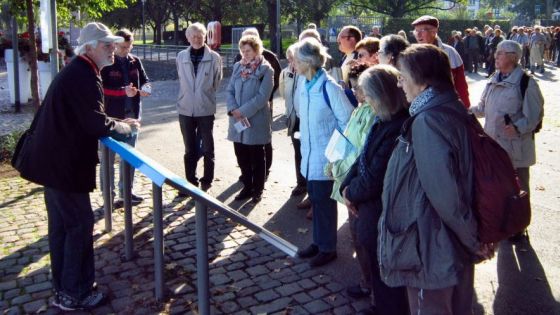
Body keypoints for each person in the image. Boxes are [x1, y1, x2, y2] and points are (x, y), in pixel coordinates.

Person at [17, 22, 137, 311]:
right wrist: (124, 126)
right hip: (64, 167)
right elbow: (95, 122)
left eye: (113, 44)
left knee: (62, 229)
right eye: (106, 45)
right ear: (90, 48)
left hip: (53, 165)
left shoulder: (78, 70)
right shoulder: (83, 74)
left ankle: (64, 290)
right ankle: (76, 293)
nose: (113, 49)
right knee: (78, 227)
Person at [379, 44, 493, 314]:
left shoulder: (429, 119)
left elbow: (446, 195)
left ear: (424, 79)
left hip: (431, 245)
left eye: (402, 75)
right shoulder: (448, 107)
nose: (399, 82)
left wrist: (473, 240)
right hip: (445, 242)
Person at [340, 65, 410, 315]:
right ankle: (380, 306)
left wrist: (350, 193)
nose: (365, 99)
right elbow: (363, 159)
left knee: (388, 275)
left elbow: (375, 178)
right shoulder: (383, 120)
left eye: (368, 94)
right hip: (371, 212)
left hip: (382, 213)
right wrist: (346, 186)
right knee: (379, 271)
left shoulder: (398, 126)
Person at [470, 40, 544, 241]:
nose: (495, 56)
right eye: (496, 52)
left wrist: (518, 127)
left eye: (500, 53)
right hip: (494, 145)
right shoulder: (494, 78)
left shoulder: (526, 83)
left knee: (518, 188)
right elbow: (483, 108)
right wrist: (465, 111)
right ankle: (502, 223)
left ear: (513, 57)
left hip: (516, 147)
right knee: (498, 187)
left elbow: (534, 115)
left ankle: (519, 225)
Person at [294, 38, 353, 267]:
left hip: (326, 158)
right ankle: (319, 242)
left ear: (308, 62)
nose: (294, 64)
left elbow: (347, 120)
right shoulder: (305, 83)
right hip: (310, 156)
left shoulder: (329, 87)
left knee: (324, 204)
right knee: (316, 201)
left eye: (297, 60)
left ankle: (328, 248)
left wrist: (334, 153)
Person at [326, 62, 376, 302]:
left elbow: (362, 153)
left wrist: (349, 181)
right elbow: (345, 138)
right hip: (348, 179)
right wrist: (332, 161)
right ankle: (367, 280)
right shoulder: (359, 108)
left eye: (358, 88)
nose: (354, 92)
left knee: (363, 237)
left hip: (356, 184)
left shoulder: (372, 113)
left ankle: (371, 285)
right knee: (357, 236)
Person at [100, 29, 150, 207]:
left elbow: (145, 80)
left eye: (129, 47)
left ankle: (126, 192)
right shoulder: (106, 63)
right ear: (114, 44)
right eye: (122, 47)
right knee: (108, 159)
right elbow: (102, 90)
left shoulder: (135, 61)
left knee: (129, 158)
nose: (125, 51)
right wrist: (123, 92)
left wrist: (146, 89)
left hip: (133, 117)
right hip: (112, 118)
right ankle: (108, 196)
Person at [176, 23, 223, 193]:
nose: (196, 39)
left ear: (205, 37)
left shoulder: (215, 58)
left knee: (207, 146)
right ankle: (190, 180)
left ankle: (207, 179)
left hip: (205, 108)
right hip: (185, 108)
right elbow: (181, 78)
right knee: (189, 147)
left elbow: (217, 80)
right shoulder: (181, 56)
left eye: (199, 35)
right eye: (193, 36)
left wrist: (204, 94)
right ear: (187, 38)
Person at [227, 35, 274, 203]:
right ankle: (247, 186)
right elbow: (230, 90)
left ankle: (257, 189)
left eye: (248, 51)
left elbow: (262, 97)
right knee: (241, 155)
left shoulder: (266, 70)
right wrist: (233, 109)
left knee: (256, 156)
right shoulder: (238, 67)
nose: (245, 54)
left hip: (256, 120)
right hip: (237, 120)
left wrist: (243, 111)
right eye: (242, 51)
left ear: (256, 50)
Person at [234, 28, 280, 180]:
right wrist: (235, 108)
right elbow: (232, 87)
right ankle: (247, 174)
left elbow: (275, 80)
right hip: (240, 111)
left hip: (261, 107)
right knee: (242, 144)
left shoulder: (268, 60)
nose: (245, 52)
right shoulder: (238, 60)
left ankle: (263, 172)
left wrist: (270, 97)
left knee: (261, 142)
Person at [411, 15, 471, 107]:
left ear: (434, 32)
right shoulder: (412, 55)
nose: (418, 34)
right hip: (420, 108)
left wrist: (465, 109)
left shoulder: (450, 52)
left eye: (422, 30)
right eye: (416, 31)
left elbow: (461, 85)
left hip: (446, 108)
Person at [279, 44, 306, 197]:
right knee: (298, 151)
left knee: (306, 151)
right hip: (294, 119)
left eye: (293, 59)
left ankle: (309, 184)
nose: (291, 62)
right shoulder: (286, 72)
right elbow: (283, 93)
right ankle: (300, 182)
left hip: (305, 120)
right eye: (289, 59)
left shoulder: (305, 74)